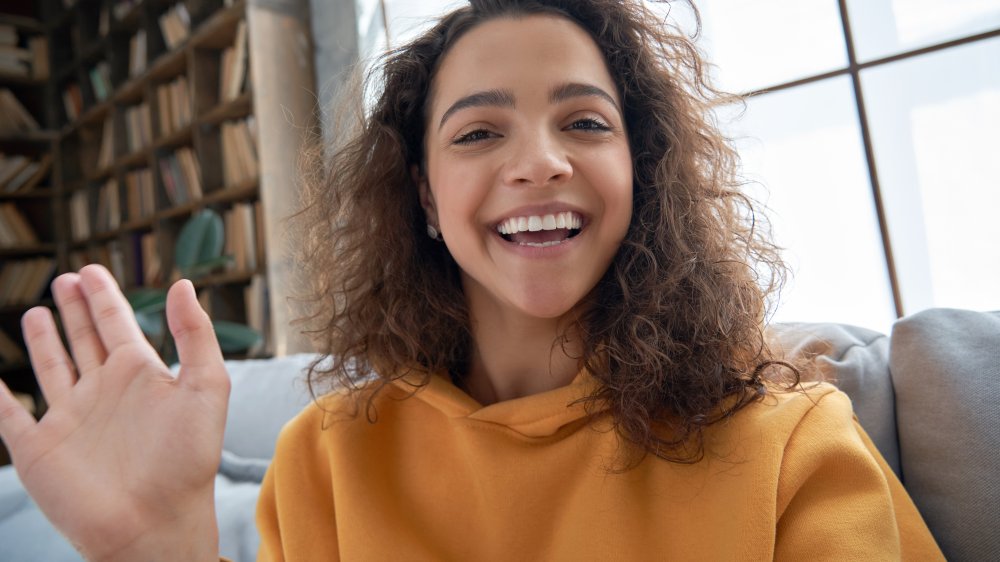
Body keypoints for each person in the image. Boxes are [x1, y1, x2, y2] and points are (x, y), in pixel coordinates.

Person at [0, 0, 943, 560]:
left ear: (640, 170)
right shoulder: (327, 461)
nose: (538, 163)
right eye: (478, 133)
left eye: (584, 123)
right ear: (422, 193)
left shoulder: (791, 445)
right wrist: (164, 548)